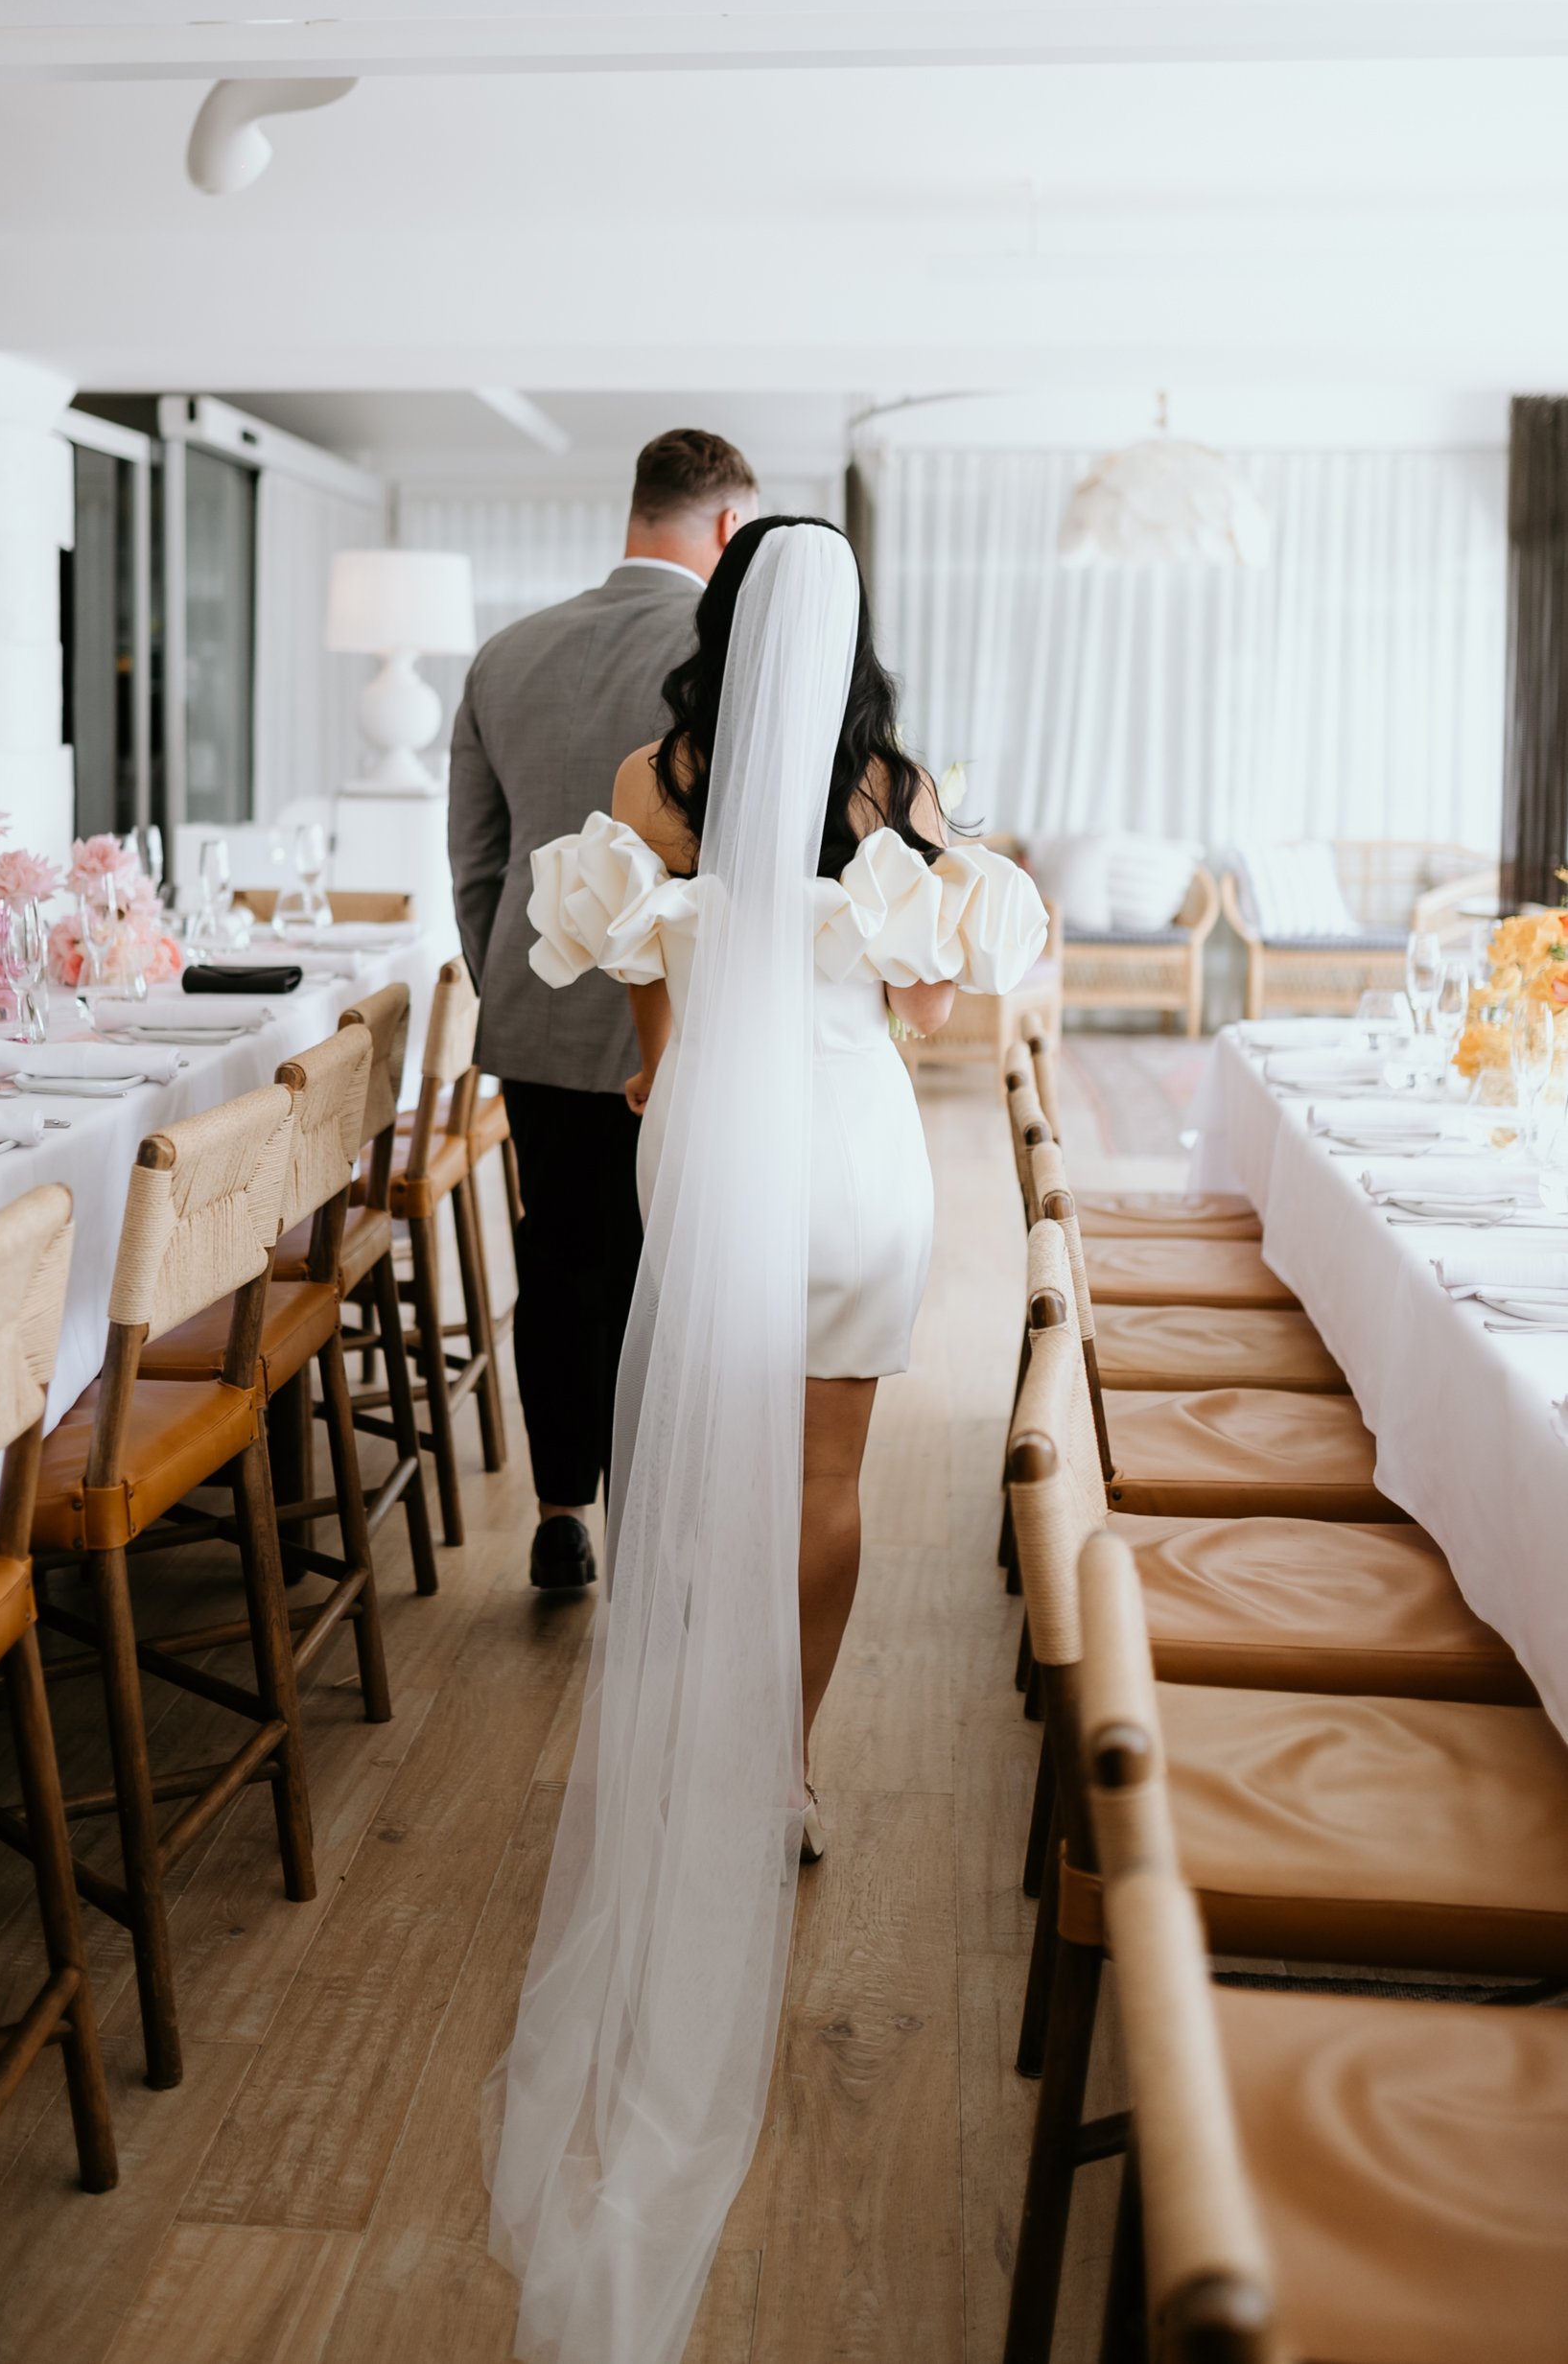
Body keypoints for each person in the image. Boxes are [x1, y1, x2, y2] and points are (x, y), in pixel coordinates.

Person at [487, 517, 1045, 2364]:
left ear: (716, 619)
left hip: (716, 1144)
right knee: (825, 1485)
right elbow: (937, 999)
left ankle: (688, 1748)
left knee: (694, 1463)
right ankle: (786, 1769)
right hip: (860, 1152)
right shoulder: (897, 786)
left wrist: (677, 1047)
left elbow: (627, 986)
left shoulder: (665, 768)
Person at [447, 426, 759, 1588]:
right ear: (728, 527)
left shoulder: (505, 651)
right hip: (688, 1027)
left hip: (534, 1013)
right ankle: (668, 1518)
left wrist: (514, 985)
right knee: (677, 1265)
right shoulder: (730, 654)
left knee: (562, 1256)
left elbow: (475, 863)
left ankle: (559, 1508)